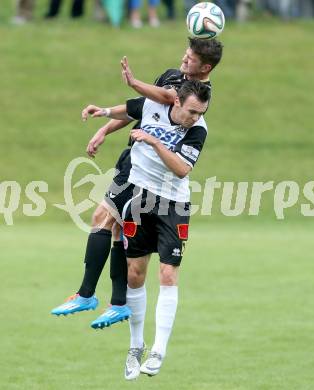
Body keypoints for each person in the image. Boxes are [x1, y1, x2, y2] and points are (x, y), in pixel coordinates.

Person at [50, 38, 223, 331]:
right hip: (133, 160)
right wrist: (105, 125)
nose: (184, 58)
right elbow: (141, 109)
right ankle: (116, 302)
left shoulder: (198, 95)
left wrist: (133, 82)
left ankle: (87, 294)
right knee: (115, 226)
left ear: (205, 67)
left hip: (147, 173)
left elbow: (163, 98)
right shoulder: (172, 75)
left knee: (102, 217)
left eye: (190, 57)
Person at [86, 80, 210, 379]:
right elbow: (129, 109)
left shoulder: (198, 130)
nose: (195, 116)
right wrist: (102, 116)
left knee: (167, 274)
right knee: (134, 274)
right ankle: (135, 346)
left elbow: (182, 169)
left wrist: (153, 141)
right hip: (140, 201)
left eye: (201, 112)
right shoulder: (154, 106)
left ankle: (158, 350)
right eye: (192, 110)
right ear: (176, 101)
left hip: (173, 206)